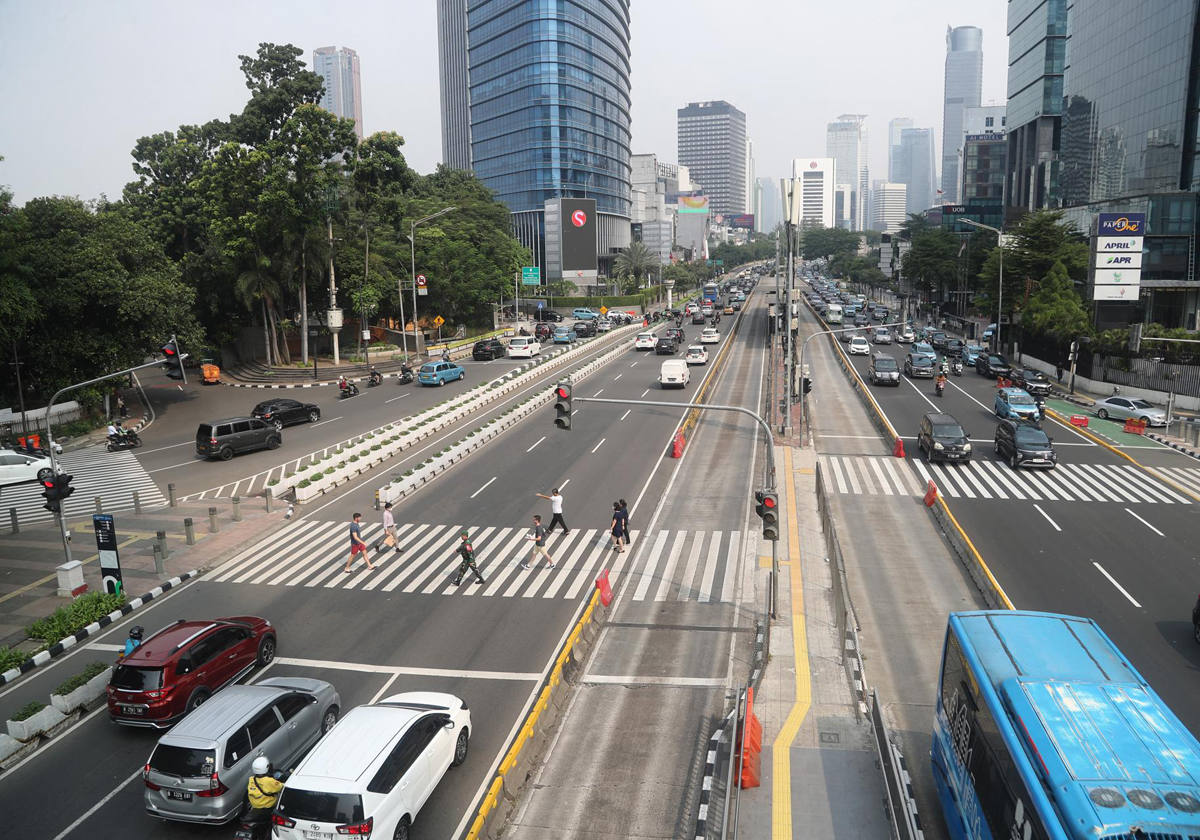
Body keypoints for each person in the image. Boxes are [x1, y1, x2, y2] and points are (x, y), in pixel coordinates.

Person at [245, 756, 284, 822]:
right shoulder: (269, 781)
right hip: (268, 806)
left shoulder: (251, 779)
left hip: (256, 806)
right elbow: (281, 787)